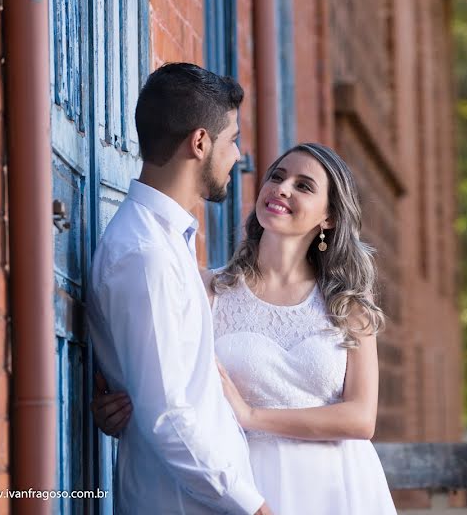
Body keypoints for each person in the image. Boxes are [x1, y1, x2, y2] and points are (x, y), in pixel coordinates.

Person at [92, 142, 398, 514]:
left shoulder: (348, 306)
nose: (282, 188)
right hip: (246, 481)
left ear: (329, 217)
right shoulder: (207, 290)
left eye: (304, 186)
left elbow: (361, 418)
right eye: (277, 176)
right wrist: (122, 406)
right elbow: (162, 382)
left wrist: (252, 416)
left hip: (339, 487)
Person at [87, 62, 272, 514]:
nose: (237, 157)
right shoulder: (145, 254)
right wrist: (253, 506)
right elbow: (168, 414)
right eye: (232, 140)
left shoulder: (167, 241)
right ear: (200, 142)